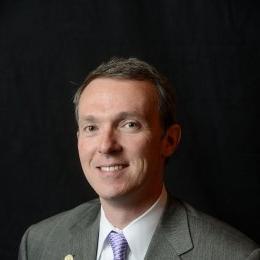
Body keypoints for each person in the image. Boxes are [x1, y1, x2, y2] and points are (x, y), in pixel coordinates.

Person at [19, 57, 260, 260]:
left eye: (129, 124)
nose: (106, 146)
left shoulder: (234, 255)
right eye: (92, 128)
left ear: (169, 140)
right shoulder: (40, 244)